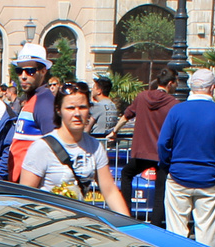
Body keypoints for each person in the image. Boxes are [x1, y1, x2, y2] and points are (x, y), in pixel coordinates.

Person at [19, 84, 129, 213]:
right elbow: (25, 197)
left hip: (76, 225)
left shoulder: (95, 147)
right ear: (59, 110)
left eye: (82, 107)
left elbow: (110, 192)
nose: (77, 113)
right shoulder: (41, 148)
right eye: (70, 108)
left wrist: (129, 228)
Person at [157, 69, 215, 246]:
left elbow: (163, 143)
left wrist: (167, 165)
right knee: (207, 233)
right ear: (212, 88)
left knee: (176, 232)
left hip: (179, 175)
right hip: (210, 177)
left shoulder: (177, 111)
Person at [108, 68, 177, 226]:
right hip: (162, 153)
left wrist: (114, 131)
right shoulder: (173, 104)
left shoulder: (142, 97)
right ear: (170, 83)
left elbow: (126, 115)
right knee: (160, 189)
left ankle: (126, 214)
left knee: (126, 173)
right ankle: (156, 224)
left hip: (142, 151)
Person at [12, 44, 55, 138]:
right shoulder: (32, 98)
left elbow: (54, 143)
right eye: (19, 70)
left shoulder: (44, 101)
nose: (23, 76)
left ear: (43, 71)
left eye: (30, 71)